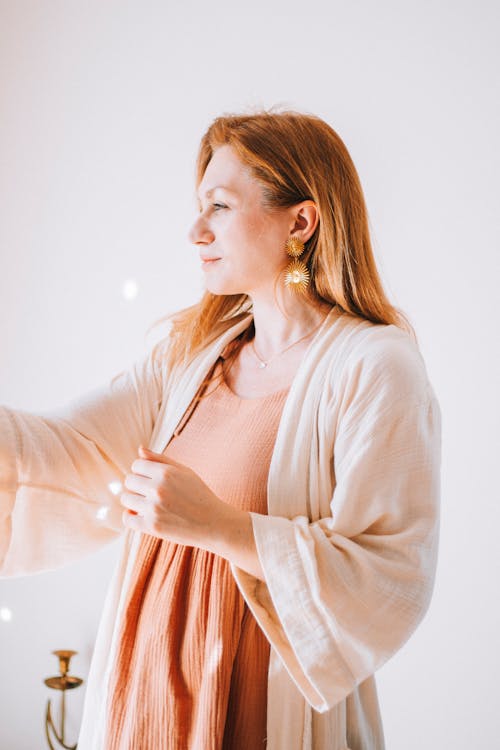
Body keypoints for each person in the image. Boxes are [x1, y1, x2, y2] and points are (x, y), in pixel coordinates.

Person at [0, 110, 441, 750]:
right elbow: (64, 452)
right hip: (142, 700)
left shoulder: (375, 367)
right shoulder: (190, 357)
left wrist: (216, 525)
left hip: (256, 706)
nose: (195, 230)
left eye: (220, 206)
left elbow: (389, 573)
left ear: (300, 222)